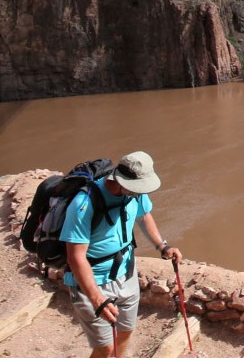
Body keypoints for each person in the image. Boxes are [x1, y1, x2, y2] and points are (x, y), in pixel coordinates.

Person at [60, 151, 183, 358]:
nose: (141, 192)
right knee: (106, 347)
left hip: (127, 273)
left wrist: (162, 246)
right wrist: (97, 299)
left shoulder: (135, 192)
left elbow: (144, 216)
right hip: (93, 282)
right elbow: (75, 257)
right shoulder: (83, 204)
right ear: (120, 181)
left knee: (126, 331)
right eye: (137, 188)